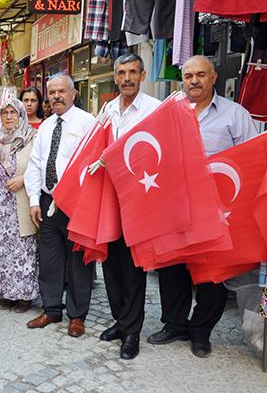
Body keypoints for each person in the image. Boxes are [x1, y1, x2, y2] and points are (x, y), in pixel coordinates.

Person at [147, 55, 259, 357]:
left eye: (200, 74)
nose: (193, 81)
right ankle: (174, 324)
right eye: (188, 76)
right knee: (172, 269)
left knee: (213, 273)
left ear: (214, 78)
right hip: (174, 206)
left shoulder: (235, 115)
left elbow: (252, 158)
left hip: (218, 209)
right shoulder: (170, 112)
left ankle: (201, 331)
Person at [24, 73, 97, 337]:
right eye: (52, 92)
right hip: (48, 201)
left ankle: (77, 316)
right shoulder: (45, 126)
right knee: (50, 259)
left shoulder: (88, 123)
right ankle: (52, 309)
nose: (56, 96)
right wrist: (34, 201)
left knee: (78, 261)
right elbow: (35, 165)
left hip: (76, 202)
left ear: (73, 93)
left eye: (61, 91)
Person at [101, 53, 161, 360]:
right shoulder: (109, 109)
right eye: (122, 72)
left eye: (133, 72)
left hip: (140, 198)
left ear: (142, 74)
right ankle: (120, 321)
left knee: (134, 266)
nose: (127, 78)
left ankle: (132, 331)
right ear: (114, 76)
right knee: (110, 262)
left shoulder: (155, 110)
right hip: (109, 197)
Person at [0, 98, 39, 313]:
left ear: (21, 115)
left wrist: (23, 179)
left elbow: (39, 166)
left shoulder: (32, 138)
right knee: (1, 250)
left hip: (22, 203)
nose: (9, 117)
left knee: (23, 251)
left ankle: (24, 297)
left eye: (13, 112)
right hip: (0, 206)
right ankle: (7, 292)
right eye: (4, 113)